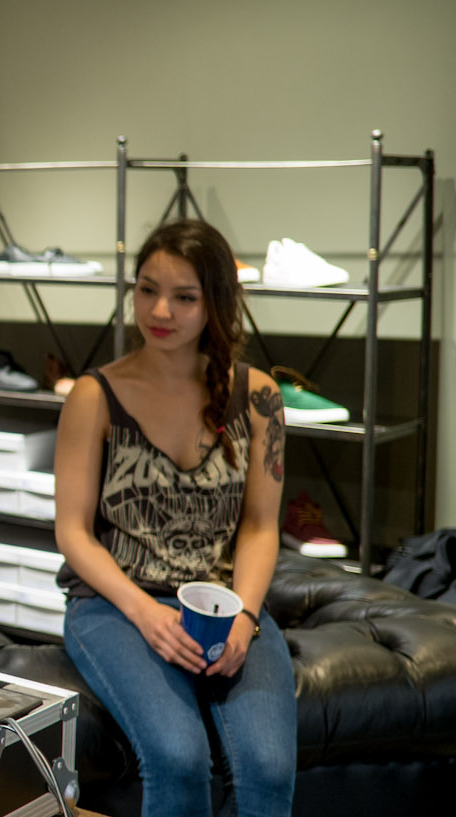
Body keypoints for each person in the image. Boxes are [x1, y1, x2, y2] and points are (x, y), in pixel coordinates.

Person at [52, 219, 294, 815]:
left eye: (185, 297)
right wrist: (145, 614)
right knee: (178, 758)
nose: (160, 309)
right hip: (114, 604)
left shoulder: (259, 396)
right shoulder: (93, 395)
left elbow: (262, 527)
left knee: (268, 767)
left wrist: (246, 619)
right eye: (147, 289)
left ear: (215, 303)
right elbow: (72, 533)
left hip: (223, 604)